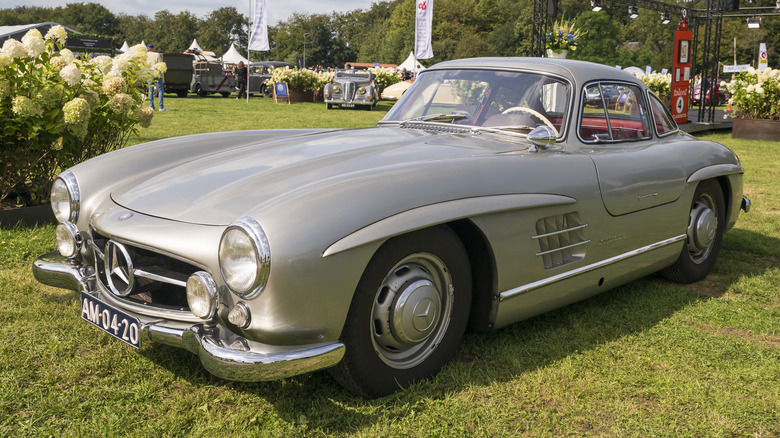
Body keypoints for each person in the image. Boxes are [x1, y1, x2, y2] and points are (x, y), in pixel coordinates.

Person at [146, 44, 167, 111]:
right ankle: (161, 107)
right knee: (160, 90)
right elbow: (160, 64)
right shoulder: (157, 55)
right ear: (153, 49)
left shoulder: (145, 55)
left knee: (150, 90)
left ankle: (152, 107)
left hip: (149, 74)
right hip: (157, 74)